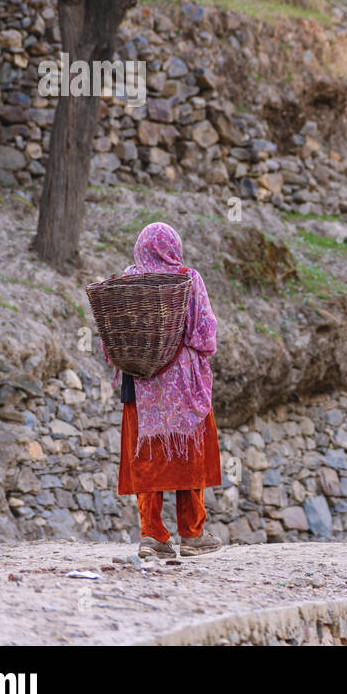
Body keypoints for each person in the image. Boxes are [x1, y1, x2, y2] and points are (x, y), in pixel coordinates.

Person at [113, 222, 223, 558]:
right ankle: (192, 534)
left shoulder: (127, 281)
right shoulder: (188, 278)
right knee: (191, 455)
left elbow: (114, 335)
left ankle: (152, 537)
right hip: (184, 387)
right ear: (174, 246)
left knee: (147, 458)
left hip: (141, 386)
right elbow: (204, 333)